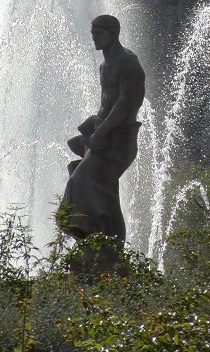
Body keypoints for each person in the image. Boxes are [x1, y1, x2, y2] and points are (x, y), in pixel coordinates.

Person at [57, 15, 145, 270]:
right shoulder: (105, 67)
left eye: (99, 33)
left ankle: (99, 241)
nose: (94, 38)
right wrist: (92, 127)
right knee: (98, 188)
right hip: (103, 136)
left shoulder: (127, 62)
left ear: (113, 33)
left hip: (120, 140)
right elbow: (106, 103)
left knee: (81, 180)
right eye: (93, 33)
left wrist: (101, 133)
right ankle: (102, 246)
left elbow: (125, 104)